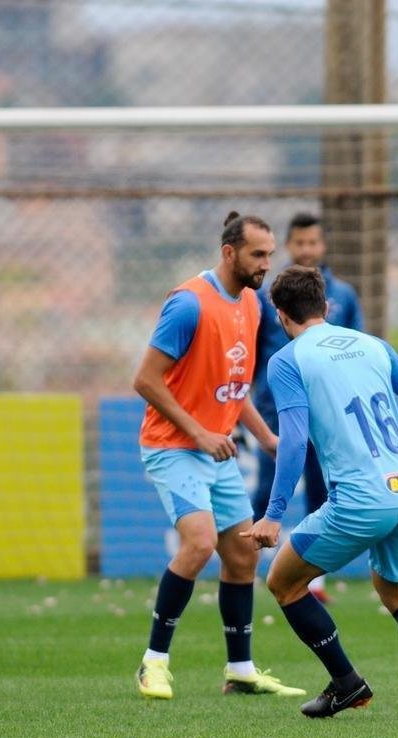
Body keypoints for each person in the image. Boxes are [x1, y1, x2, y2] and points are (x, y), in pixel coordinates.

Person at [243, 266, 398, 720]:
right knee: (397, 591)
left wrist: (273, 514)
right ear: (326, 307)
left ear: (280, 315)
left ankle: (347, 682)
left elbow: (293, 440)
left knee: (283, 583)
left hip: (361, 499)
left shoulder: (288, 359)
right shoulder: (372, 345)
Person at [132, 211, 305, 701]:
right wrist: (202, 432)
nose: (266, 264)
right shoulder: (188, 304)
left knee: (242, 553)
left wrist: (267, 437)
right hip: (172, 445)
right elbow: (145, 380)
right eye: (258, 254)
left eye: (270, 254)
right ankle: (153, 663)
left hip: (216, 448)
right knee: (199, 543)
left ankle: (241, 670)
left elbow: (236, 388)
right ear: (229, 253)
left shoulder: (250, 304)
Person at [250, 212, 364, 603]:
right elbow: (253, 350)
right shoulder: (269, 295)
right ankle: (246, 569)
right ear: (289, 245)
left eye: (313, 243)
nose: (306, 249)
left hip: (328, 409)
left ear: (323, 245)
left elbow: (356, 344)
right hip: (276, 405)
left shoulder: (343, 296)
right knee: (269, 486)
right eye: (299, 243)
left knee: (322, 489)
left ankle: (314, 581)